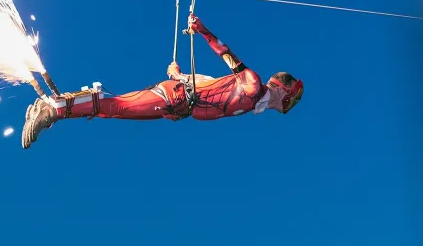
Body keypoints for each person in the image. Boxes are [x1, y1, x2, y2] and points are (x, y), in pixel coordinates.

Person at [22, 14, 303, 149]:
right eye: (292, 99)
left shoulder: (249, 98)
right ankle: (53, 109)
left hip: (177, 105)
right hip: (175, 99)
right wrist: (203, 30)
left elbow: (211, 84)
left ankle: (55, 107)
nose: (288, 106)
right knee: (115, 106)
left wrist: (179, 74)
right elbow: (227, 54)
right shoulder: (253, 85)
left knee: (115, 108)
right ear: (285, 90)